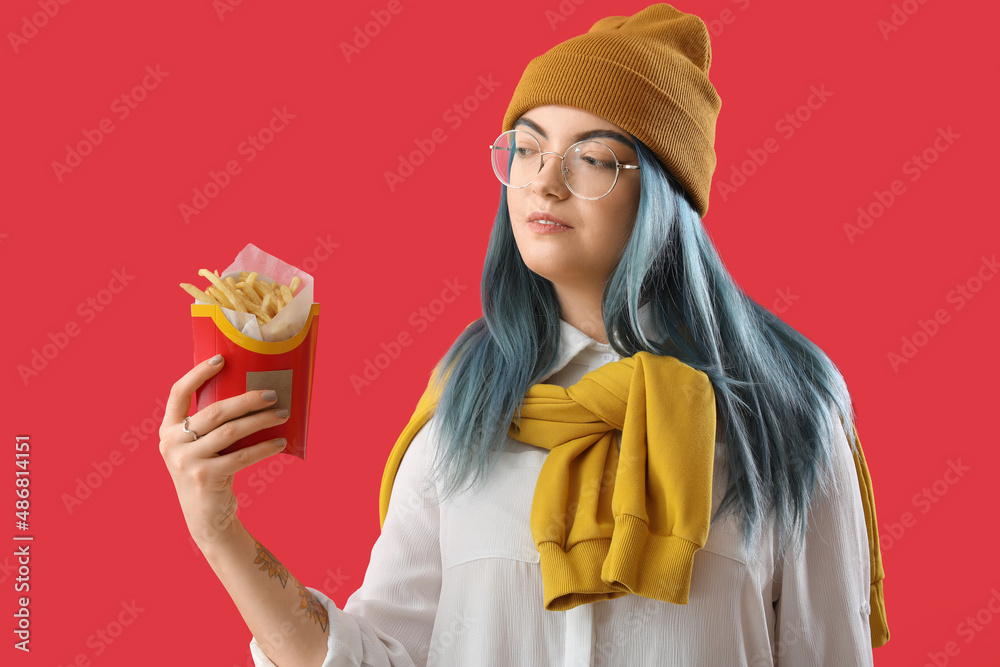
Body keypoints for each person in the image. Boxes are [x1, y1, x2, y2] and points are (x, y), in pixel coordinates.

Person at [159, 4, 889, 665]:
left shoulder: (788, 414)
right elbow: (376, 658)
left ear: (665, 191)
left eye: (593, 158)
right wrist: (221, 533)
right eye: (529, 148)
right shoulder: (465, 407)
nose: (545, 181)